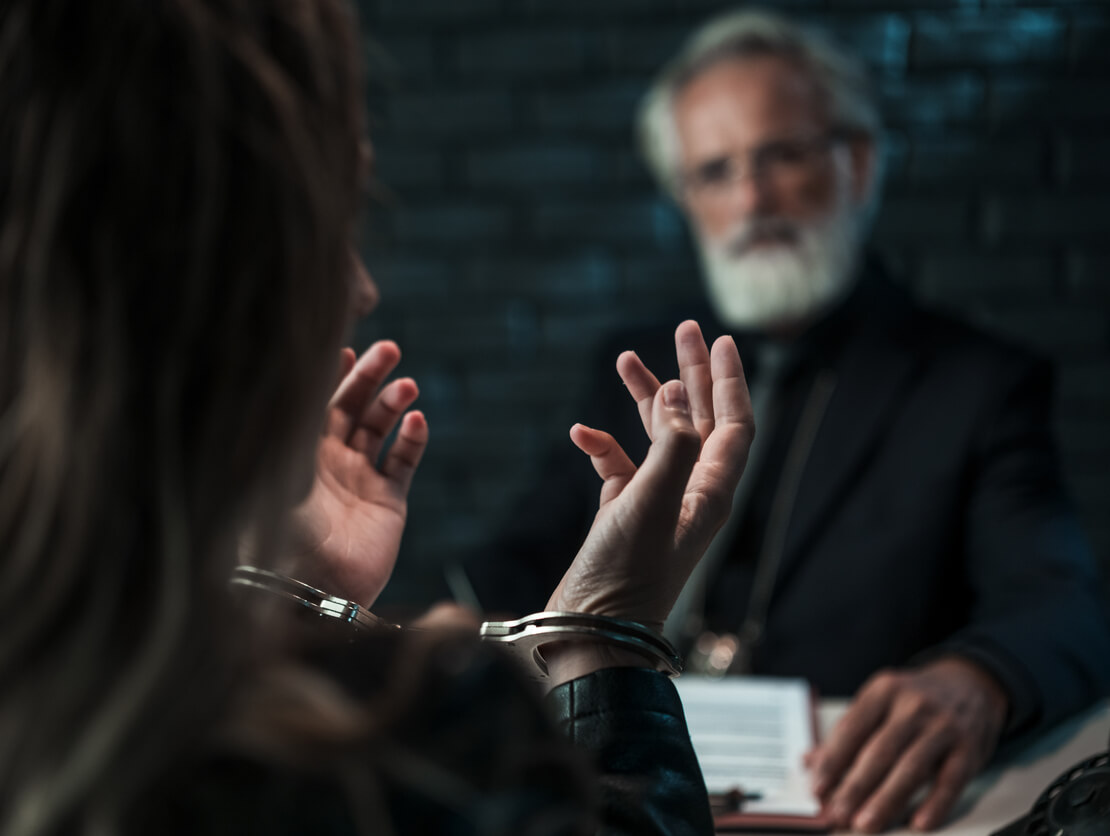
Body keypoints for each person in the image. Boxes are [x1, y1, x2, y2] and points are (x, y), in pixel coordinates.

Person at [0, 1, 755, 834]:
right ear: (189, 280)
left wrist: (298, 592)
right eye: (331, 219)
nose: (360, 288)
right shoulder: (406, 765)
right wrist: (608, 638)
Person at [462, 9, 1110, 834]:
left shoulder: (976, 381)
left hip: (841, 802)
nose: (752, 198)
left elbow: (1062, 605)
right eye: (715, 171)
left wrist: (978, 678)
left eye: (782, 156)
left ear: (861, 164)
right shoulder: (632, 360)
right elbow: (524, 558)